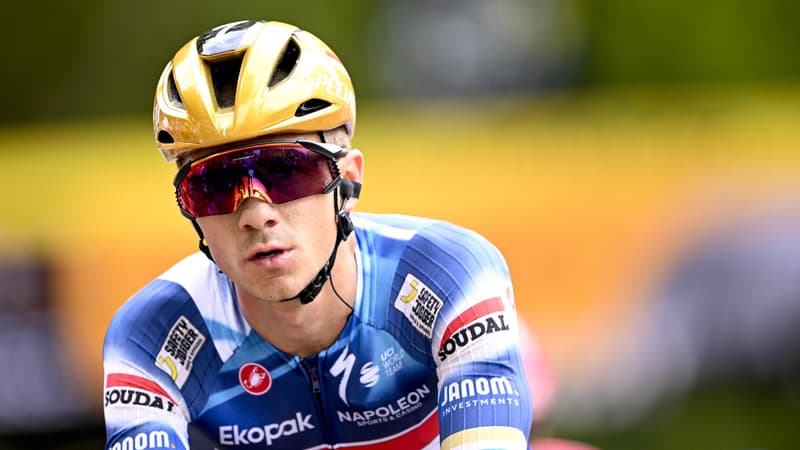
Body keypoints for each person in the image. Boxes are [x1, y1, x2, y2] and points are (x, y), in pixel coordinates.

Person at [103, 19, 533, 450]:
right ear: (189, 209)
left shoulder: (449, 274)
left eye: (286, 171)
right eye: (214, 185)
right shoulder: (151, 336)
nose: (256, 215)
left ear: (348, 181)